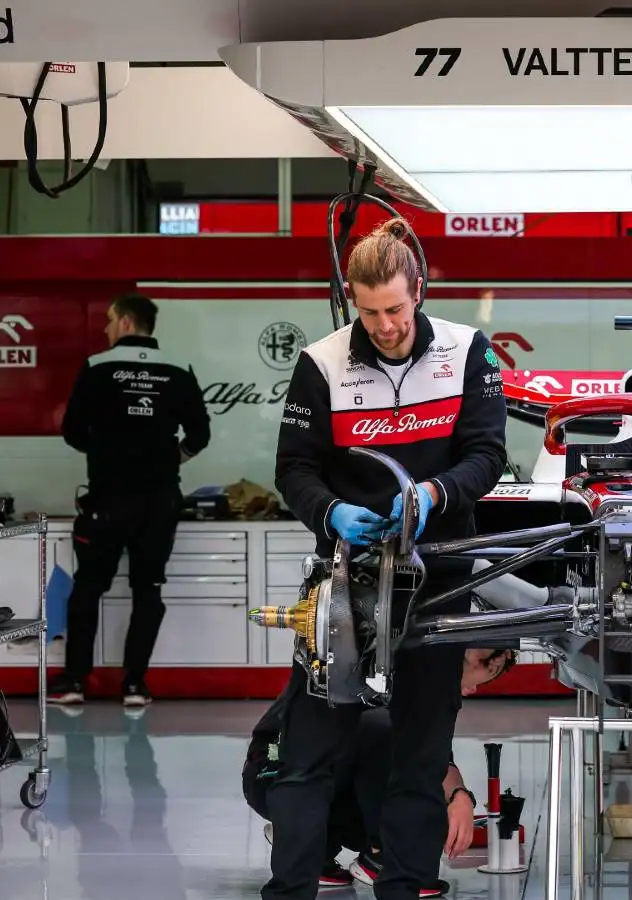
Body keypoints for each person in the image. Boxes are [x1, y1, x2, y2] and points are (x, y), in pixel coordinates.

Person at [265, 217, 509, 900]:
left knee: (421, 751)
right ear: (352, 299)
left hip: (441, 578)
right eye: (369, 312)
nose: (385, 325)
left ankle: (404, 888)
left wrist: (436, 494)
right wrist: (330, 512)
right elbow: (295, 469)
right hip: (346, 584)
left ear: (419, 290)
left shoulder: (469, 353)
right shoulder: (321, 362)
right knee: (308, 756)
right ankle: (287, 893)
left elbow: (487, 454)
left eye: (395, 309)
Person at [244, 648, 516, 894]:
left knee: (429, 803)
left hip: (315, 779)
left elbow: (437, 759)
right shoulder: (385, 675)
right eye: (482, 676)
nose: (473, 690)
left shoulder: (418, 682)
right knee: (408, 784)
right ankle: (377, 854)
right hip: (274, 773)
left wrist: (460, 797)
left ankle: (311, 842)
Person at [52, 292, 211, 708]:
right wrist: (164, 458)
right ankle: (136, 685)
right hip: (159, 501)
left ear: (124, 322)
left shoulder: (97, 367)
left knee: (88, 587)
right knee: (148, 589)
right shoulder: (179, 369)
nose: (105, 329)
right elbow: (200, 436)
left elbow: (71, 431)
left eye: (109, 321)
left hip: (106, 499)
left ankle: (73, 682)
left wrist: (108, 454)